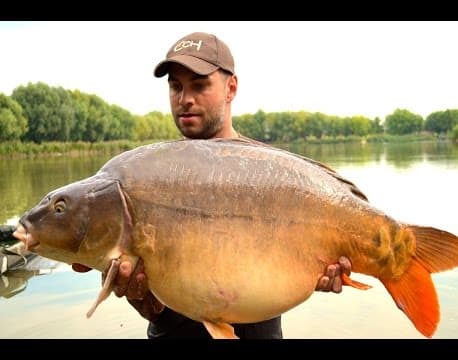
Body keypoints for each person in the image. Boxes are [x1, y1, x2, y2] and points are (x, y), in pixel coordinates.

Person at [72, 32, 352, 339]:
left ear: (231, 88)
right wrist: (135, 292)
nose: (185, 98)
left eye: (199, 85)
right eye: (176, 86)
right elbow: (153, 309)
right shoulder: (146, 178)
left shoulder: (272, 172)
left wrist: (324, 271)